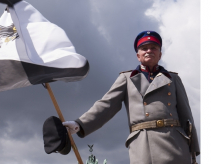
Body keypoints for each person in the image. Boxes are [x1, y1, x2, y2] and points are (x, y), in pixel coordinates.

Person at [63, 31, 200, 164]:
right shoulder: (127, 79)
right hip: (143, 146)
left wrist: (193, 153)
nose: (149, 51)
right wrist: (79, 124)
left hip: (175, 145)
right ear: (138, 56)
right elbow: (106, 105)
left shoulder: (173, 79)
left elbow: (187, 117)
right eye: (144, 48)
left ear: (160, 54)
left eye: (153, 48)